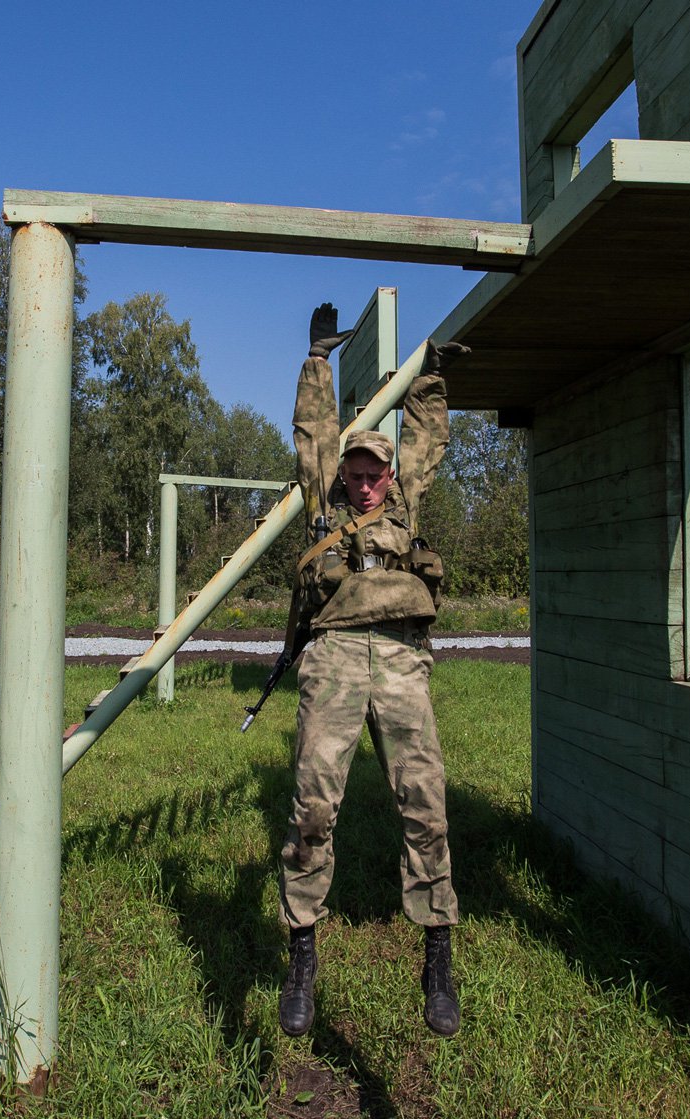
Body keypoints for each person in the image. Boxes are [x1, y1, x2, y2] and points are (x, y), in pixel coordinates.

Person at [277, 303, 466, 1038]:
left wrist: (433, 381)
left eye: (372, 473)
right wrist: (318, 361)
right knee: (313, 803)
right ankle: (301, 952)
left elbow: (428, 442)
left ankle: (438, 950)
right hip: (334, 657)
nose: (362, 484)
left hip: (400, 657)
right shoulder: (326, 503)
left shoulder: (406, 502)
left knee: (425, 800)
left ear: (387, 476)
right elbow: (314, 435)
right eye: (354, 472)